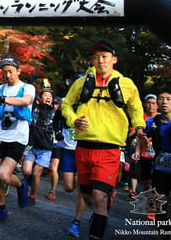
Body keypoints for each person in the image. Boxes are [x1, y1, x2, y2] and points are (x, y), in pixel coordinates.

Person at [61, 41, 147, 240]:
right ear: (92, 60)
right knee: (89, 198)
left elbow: (135, 108)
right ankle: (106, 196)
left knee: (99, 198)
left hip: (110, 147)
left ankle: (95, 235)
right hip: (83, 146)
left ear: (114, 60)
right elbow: (66, 105)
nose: (100, 60)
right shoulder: (82, 82)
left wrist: (140, 129)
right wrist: (74, 120)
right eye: (96, 57)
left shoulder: (126, 84)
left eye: (105, 56)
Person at [0, 56, 35, 222]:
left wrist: (4, 100)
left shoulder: (27, 88)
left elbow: (26, 101)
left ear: (18, 71)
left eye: (11, 72)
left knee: (4, 175)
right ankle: (1, 209)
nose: (7, 75)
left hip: (17, 137)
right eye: (4, 73)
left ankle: (21, 185)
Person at [141, 91, 171, 224]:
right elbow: (141, 136)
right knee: (160, 207)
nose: (164, 102)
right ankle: (164, 237)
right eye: (161, 99)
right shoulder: (152, 122)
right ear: (157, 104)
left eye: (168, 99)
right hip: (161, 170)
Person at [22, 87, 57, 204]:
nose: (48, 98)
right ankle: (26, 182)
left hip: (46, 147)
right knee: (27, 171)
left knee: (37, 172)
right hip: (31, 145)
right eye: (45, 95)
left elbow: (60, 124)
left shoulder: (55, 112)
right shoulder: (35, 108)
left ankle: (32, 195)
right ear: (40, 98)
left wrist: (59, 133)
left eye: (50, 96)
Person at [129, 93, 159, 197]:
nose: (151, 106)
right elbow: (136, 132)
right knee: (136, 171)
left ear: (157, 105)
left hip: (156, 152)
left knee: (150, 181)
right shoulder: (141, 118)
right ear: (145, 104)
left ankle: (152, 203)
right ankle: (133, 190)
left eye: (153, 103)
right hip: (141, 148)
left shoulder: (160, 118)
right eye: (148, 103)